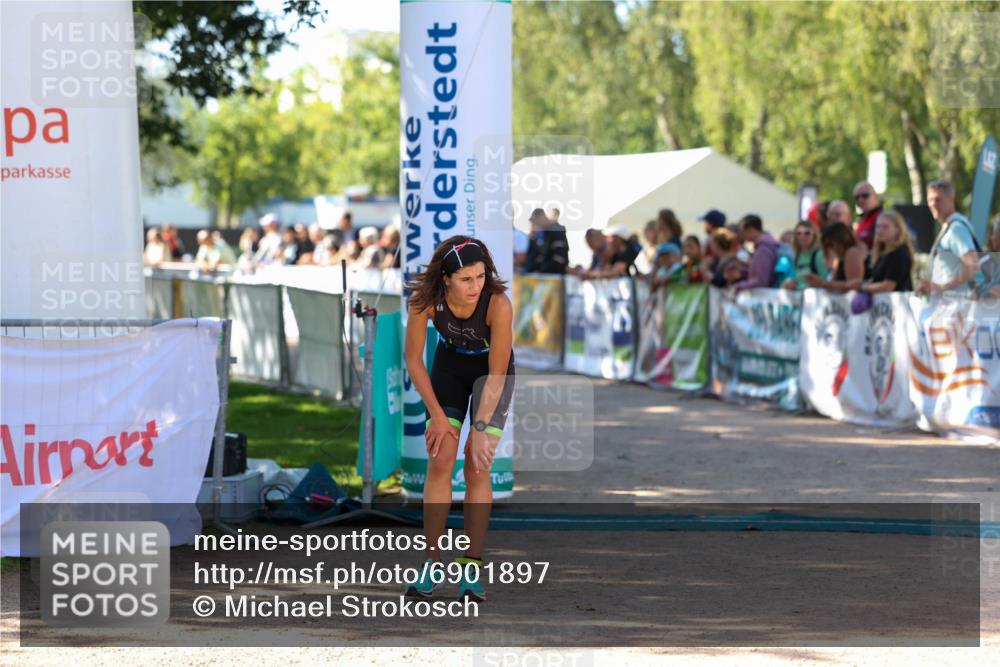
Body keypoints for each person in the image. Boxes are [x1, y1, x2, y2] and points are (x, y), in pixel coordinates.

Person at [403, 236, 514, 602]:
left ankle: (472, 566)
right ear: (447, 278)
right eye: (466, 279)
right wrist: (437, 415)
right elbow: (414, 360)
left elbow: (496, 374)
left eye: (481, 277)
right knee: (440, 459)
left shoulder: (497, 304)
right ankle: (432, 562)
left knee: (478, 467)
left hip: (490, 375)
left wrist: (480, 428)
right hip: (449, 367)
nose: (475, 286)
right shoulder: (426, 301)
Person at [916, 179, 983, 297]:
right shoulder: (950, 226)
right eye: (930, 200)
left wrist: (942, 287)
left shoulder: (956, 229)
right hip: (953, 305)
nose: (933, 204)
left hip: (959, 306)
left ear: (951, 199)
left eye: (938, 199)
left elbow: (973, 265)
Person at [851, 209, 913, 293]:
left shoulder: (900, 252)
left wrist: (862, 287)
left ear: (898, 229)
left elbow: (888, 286)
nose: (880, 230)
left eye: (885, 227)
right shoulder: (881, 251)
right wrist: (863, 283)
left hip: (896, 304)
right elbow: (877, 280)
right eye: (878, 226)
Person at [806, 222, 868, 291]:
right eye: (826, 246)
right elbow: (833, 282)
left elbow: (853, 285)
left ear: (841, 240)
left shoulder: (852, 252)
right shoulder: (840, 257)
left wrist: (823, 283)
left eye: (830, 244)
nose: (829, 248)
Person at [733, 214, 780, 290]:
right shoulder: (762, 247)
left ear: (751, 229)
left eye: (742, 231)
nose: (741, 235)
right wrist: (743, 271)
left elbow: (761, 280)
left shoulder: (763, 249)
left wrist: (739, 286)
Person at [782, 221, 827, 290]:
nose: (802, 236)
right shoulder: (797, 255)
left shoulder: (819, 255)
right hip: (798, 297)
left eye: (807, 233)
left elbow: (825, 280)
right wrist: (790, 283)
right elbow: (798, 278)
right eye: (798, 233)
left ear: (814, 235)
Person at [523, 208, 569, 275]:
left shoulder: (556, 231)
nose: (535, 224)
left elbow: (559, 258)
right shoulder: (542, 233)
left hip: (556, 276)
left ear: (541, 217)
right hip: (546, 276)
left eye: (536, 220)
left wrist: (542, 271)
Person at [852, 181, 882, 249]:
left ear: (875, 196)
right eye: (857, 197)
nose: (860, 200)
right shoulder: (861, 220)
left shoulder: (883, 218)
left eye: (865, 195)